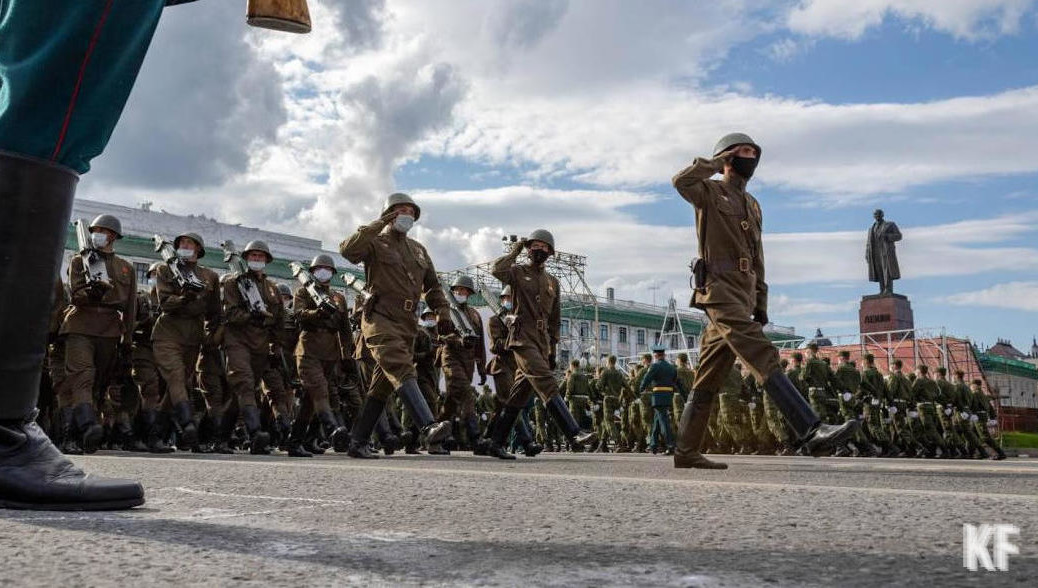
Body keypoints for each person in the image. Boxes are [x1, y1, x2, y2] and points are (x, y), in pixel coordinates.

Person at [670, 132, 857, 469]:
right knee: (761, 351)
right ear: (727, 157)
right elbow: (681, 181)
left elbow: (758, 256)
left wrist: (761, 301)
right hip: (718, 289)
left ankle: (685, 451)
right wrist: (714, 163)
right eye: (743, 152)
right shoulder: (709, 192)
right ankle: (810, 429)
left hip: (742, 294)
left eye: (755, 153)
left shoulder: (753, 204)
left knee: (708, 377)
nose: (751, 158)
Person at [340, 193, 453, 459]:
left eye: (411, 211)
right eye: (400, 210)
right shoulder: (374, 242)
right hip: (379, 317)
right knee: (401, 366)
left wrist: (443, 311)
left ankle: (358, 442)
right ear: (388, 213)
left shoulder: (418, 250)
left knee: (381, 387)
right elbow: (348, 250)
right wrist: (377, 224)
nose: (407, 215)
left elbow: (433, 286)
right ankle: (428, 426)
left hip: (407, 324)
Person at [483, 229, 597, 460]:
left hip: (541, 341)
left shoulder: (552, 282)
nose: (540, 250)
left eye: (545, 247)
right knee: (545, 380)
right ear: (529, 248)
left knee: (518, 397)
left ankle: (495, 442)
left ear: (550, 253)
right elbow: (497, 270)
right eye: (536, 245)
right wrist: (517, 248)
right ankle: (573, 432)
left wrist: (553, 348)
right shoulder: (517, 272)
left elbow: (555, 319)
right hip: (522, 338)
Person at [152, 233, 220, 451]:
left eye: (189, 243)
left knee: (177, 385)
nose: (184, 246)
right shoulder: (165, 269)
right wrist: (184, 298)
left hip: (193, 338)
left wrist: (210, 338)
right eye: (181, 243)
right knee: (176, 377)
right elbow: (164, 302)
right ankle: (187, 423)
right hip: (167, 334)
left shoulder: (210, 276)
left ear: (199, 249)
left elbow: (215, 312)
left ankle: (155, 436)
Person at [220, 240, 285, 455]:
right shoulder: (233, 282)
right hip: (237, 341)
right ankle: (256, 433)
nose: (256, 260)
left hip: (260, 346)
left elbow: (279, 322)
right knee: (245, 384)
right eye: (252, 256)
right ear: (245, 259)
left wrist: (276, 348)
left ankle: (220, 437)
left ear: (266, 260)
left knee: (240, 392)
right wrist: (251, 315)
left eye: (260, 256)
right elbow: (229, 313)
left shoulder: (273, 289)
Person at [288, 255, 352, 458]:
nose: (323, 272)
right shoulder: (303, 292)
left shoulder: (339, 298)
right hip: (308, 351)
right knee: (320, 391)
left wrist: (347, 357)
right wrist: (318, 313)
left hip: (330, 354)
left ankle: (298, 441)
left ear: (332, 273)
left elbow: (345, 330)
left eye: (327, 269)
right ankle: (333, 428)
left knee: (310, 400)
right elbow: (298, 315)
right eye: (319, 269)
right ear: (313, 272)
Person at [439, 275, 487, 451]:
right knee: (467, 393)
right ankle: (475, 438)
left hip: (468, 362)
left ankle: (436, 436)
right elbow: (441, 335)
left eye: (464, 290)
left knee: (451, 400)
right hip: (451, 357)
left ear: (469, 293)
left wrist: (481, 367)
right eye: (458, 290)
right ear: (452, 291)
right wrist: (458, 340)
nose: (461, 292)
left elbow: (480, 343)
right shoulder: (446, 310)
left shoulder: (474, 314)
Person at [639, 345, 684, 455]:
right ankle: (653, 445)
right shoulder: (671, 367)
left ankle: (670, 445)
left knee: (663, 421)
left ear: (655, 355)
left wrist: (640, 389)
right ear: (664, 355)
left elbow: (647, 378)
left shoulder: (655, 366)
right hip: (668, 395)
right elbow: (677, 382)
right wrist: (684, 395)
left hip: (658, 396)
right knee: (657, 421)